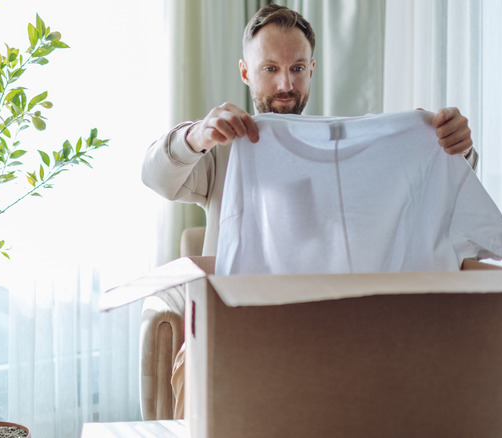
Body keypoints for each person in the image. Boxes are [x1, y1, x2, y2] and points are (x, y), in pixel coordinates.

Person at [141, 4, 478, 418]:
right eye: (270, 69)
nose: (286, 83)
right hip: (233, 333)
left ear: (312, 70)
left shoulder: (342, 152)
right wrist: (194, 136)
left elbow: (428, 191)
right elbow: (155, 177)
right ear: (246, 72)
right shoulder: (222, 150)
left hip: (323, 333)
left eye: (297, 68)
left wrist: (454, 145)